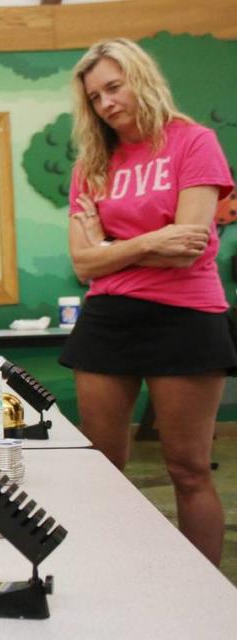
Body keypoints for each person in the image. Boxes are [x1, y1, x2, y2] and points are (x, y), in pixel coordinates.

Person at [60, 38, 235, 564]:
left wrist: (111, 248)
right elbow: (82, 264)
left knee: (188, 467)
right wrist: (147, 243)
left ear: (142, 77)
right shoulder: (92, 163)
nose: (106, 102)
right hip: (108, 318)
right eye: (95, 96)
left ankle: (204, 595)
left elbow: (189, 247)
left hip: (186, 316)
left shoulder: (193, 142)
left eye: (115, 86)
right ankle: (117, 576)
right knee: (103, 466)